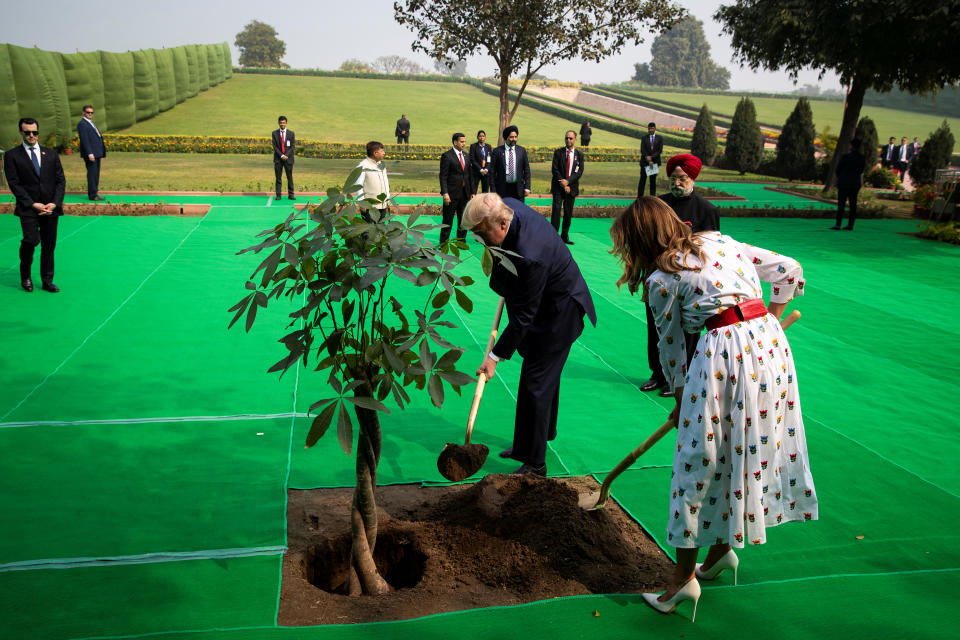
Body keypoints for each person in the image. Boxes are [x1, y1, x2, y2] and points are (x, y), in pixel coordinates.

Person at [609, 197, 817, 622]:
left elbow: (670, 350)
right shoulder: (719, 240)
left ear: (639, 241)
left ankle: (683, 579)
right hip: (770, 350)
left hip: (725, 358)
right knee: (747, 448)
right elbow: (788, 268)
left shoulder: (663, 277)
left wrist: (682, 398)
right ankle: (721, 552)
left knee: (697, 461)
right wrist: (772, 316)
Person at [464, 192, 597, 476]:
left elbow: (525, 316)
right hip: (546, 302)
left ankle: (535, 463)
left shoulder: (530, 254)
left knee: (536, 382)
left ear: (501, 225)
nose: (480, 240)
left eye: (482, 233)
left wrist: (493, 357)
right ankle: (535, 439)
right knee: (541, 378)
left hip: (560, 313)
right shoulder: (507, 207)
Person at [639, 154, 720, 397]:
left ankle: (682, 379)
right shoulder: (659, 205)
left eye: (682, 178)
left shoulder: (707, 210)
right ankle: (658, 374)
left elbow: (713, 249)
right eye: (673, 178)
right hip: (658, 276)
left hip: (689, 282)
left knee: (687, 329)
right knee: (657, 326)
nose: (677, 183)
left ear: (692, 178)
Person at [4, 117, 66, 293]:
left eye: (34, 132)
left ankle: (47, 280)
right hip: (28, 208)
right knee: (31, 240)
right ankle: (26, 276)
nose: (31, 135)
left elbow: (61, 181)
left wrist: (54, 203)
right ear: (21, 133)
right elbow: (14, 184)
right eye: (27, 132)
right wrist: (32, 204)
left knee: (49, 245)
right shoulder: (12, 156)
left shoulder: (51, 154)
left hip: (50, 209)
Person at [550, 130, 584, 244]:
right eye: (566, 138)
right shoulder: (558, 153)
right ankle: (553, 237)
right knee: (556, 212)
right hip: (558, 187)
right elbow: (554, 169)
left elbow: (579, 172)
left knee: (568, 213)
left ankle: (564, 236)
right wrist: (562, 182)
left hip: (571, 188)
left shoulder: (579, 155)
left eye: (570, 138)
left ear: (575, 140)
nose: (568, 140)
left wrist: (568, 182)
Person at [438, 132, 472, 243]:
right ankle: (443, 242)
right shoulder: (447, 156)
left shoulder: (467, 156)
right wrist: (445, 193)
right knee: (447, 220)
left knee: (463, 219)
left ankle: (461, 241)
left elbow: (469, 175)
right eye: (462, 141)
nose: (464, 144)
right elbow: (443, 176)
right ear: (455, 142)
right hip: (451, 194)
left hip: (465, 193)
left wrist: (472, 192)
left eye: (465, 141)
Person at [489, 125, 531, 202]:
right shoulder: (497, 151)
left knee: (518, 212)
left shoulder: (522, 151)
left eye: (516, 137)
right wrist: (493, 189)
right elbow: (492, 172)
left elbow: (527, 169)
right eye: (511, 137)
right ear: (506, 138)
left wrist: (527, 187)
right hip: (502, 189)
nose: (514, 139)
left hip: (518, 189)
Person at [832, 138, 866, 231]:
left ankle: (838, 224)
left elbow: (838, 169)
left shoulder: (845, 156)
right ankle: (850, 225)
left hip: (844, 182)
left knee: (841, 204)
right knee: (853, 205)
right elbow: (862, 170)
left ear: (851, 146)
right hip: (855, 182)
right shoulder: (862, 157)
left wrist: (841, 177)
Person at [355, 140, 392, 220]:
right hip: (369, 206)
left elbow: (385, 182)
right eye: (382, 151)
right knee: (366, 231)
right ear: (375, 153)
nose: (384, 153)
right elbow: (358, 186)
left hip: (382, 204)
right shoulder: (363, 166)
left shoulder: (381, 165)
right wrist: (362, 203)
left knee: (380, 229)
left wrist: (387, 198)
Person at [76, 104, 105, 201]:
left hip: (96, 153)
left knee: (96, 174)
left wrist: (100, 153)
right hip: (91, 154)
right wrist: (90, 153)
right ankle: (93, 195)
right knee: (92, 174)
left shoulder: (90, 123)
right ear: (83, 112)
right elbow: (85, 140)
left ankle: (95, 193)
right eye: (88, 112)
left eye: (92, 112)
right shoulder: (82, 124)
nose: (90, 114)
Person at [272, 116, 295, 200]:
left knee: (290, 177)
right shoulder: (274, 133)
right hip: (278, 159)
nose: (282, 124)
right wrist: (281, 155)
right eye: (281, 123)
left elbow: (292, 146)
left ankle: (291, 194)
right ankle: (278, 195)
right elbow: (274, 146)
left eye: (284, 122)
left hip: (288, 159)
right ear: (278, 123)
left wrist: (286, 155)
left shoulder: (291, 133)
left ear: (286, 123)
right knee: (278, 178)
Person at [638, 122, 663, 197]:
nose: (650, 130)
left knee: (652, 181)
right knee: (642, 181)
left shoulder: (659, 138)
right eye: (649, 128)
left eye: (652, 128)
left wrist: (651, 158)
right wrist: (648, 159)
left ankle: (652, 198)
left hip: (654, 163)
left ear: (655, 129)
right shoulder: (644, 138)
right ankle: (639, 198)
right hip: (645, 163)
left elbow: (659, 150)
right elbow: (642, 150)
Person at [469, 130, 493, 194]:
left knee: (485, 192)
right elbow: (472, 159)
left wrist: (486, 169)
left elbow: (489, 159)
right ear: (477, 137)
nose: (481, 138)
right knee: (473, 191)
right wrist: (480, 170)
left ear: (485, 137)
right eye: (480, 136)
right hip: (476, 172)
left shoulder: (488, 147)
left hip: (486, 172)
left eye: (483, 136)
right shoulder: (473, 146)